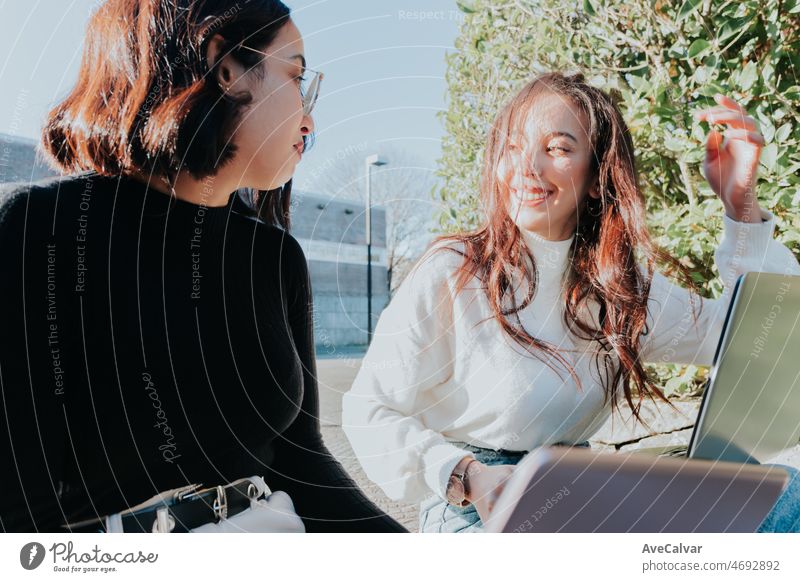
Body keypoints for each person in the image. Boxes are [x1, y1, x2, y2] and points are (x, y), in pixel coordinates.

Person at [0, 0, 405, 533]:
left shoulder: (274, 257)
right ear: (226, 66)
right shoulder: (31, 228)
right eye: (296, 78)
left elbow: (302, 465)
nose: (309, 119)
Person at [342, 72, 800, 533]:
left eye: (557, 148)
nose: (526, 167)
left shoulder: (625, 291)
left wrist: (739, 202)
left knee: (788, 493)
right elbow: (368, 408)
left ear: (598, 178)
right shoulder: (454, 270)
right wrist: (466, 475)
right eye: (514, 147)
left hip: (577, 495)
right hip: (472, 509)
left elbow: (763, 334)